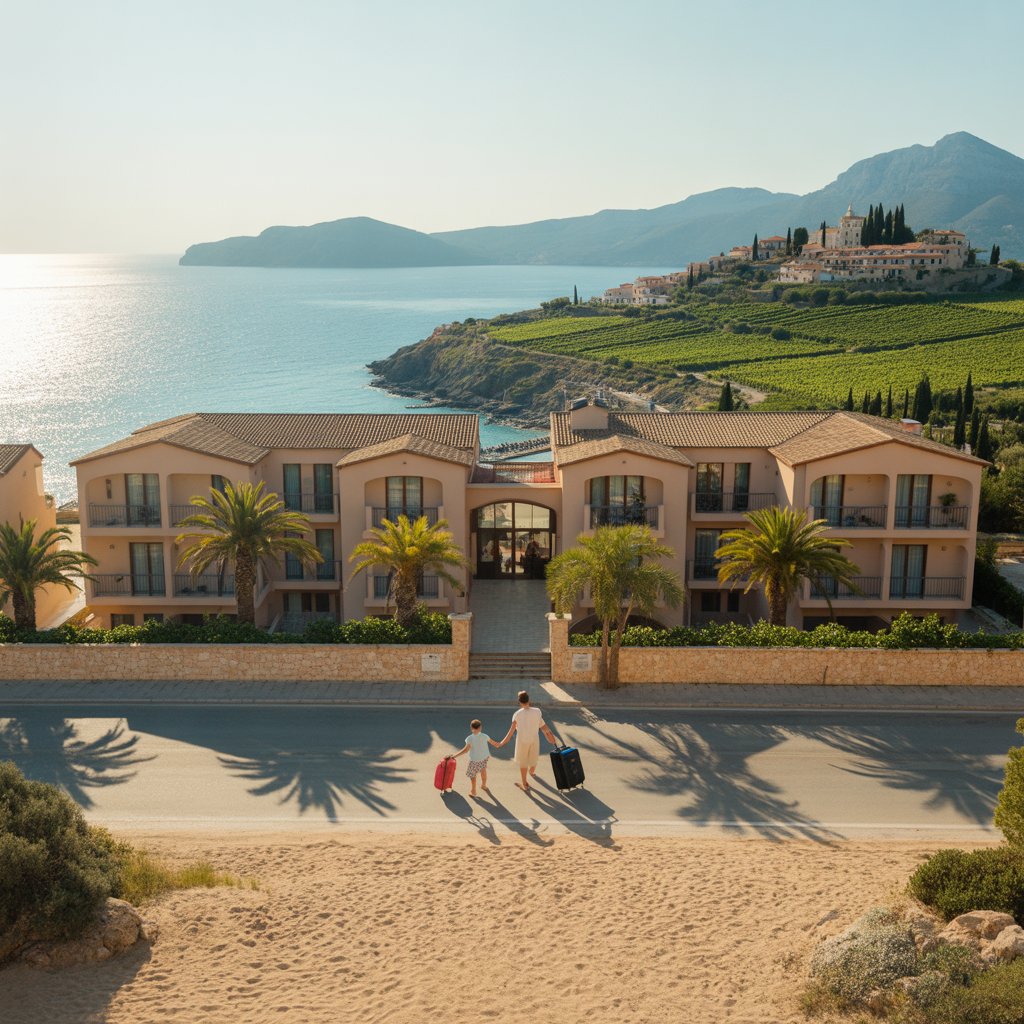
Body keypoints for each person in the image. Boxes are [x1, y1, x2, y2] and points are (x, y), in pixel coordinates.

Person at [497, 690, 558, 792]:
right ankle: (532, 772)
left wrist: (501, 743)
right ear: (529, 700)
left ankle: (525, 784)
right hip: (534, 740)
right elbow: (544, 727)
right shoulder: (537, 711)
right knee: (533, 758)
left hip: (522, 742)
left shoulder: (517, 714)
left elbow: (510, 732)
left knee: (523, 763)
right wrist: (551, 738)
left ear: (520, 702)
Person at [450, 719, 499, 797]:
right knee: (483, 770)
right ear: (480, 727)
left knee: (473, 775)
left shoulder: (470, 738)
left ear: (471, 727)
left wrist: (454, 756)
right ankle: (484, 785)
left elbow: (465, 750)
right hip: (484, 757)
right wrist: (500, 744)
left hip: (474, 760)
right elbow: (495, 744)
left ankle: (473, 791)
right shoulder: (485, 736)